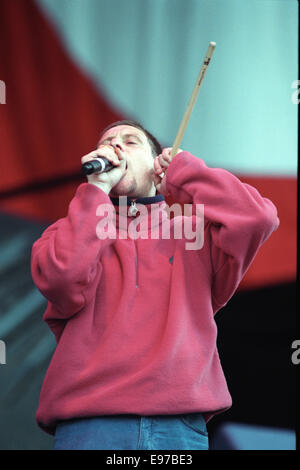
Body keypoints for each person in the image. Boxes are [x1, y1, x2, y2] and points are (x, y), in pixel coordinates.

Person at [31, 119, 280, 450]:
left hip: (176, 427)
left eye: (130, 142)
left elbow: (258, 218)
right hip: (90, 423)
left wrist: (185, 172)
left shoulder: (197, 234)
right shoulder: (65, 233)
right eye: (107, 143)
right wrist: (95, 193)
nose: (115, 147)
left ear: (157, 167)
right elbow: (62, 278)